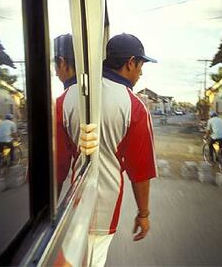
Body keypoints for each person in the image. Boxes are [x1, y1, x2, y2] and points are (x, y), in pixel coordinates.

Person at [81, 33, 157, 267]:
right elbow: (140, 170)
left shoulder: (75, 94)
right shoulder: (134, 107)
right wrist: (143, 214)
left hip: (69, 204)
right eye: (141, 65)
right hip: (102, 207)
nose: (141, 73)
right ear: (130, 63)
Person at [54, 34, 82, 202]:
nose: (56, 73)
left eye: (55, 65)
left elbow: (56, 167)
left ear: (63, 63)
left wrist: (46, 215)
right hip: (114, 194)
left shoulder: (61, 104)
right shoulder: (112, 95)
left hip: (82, 195)